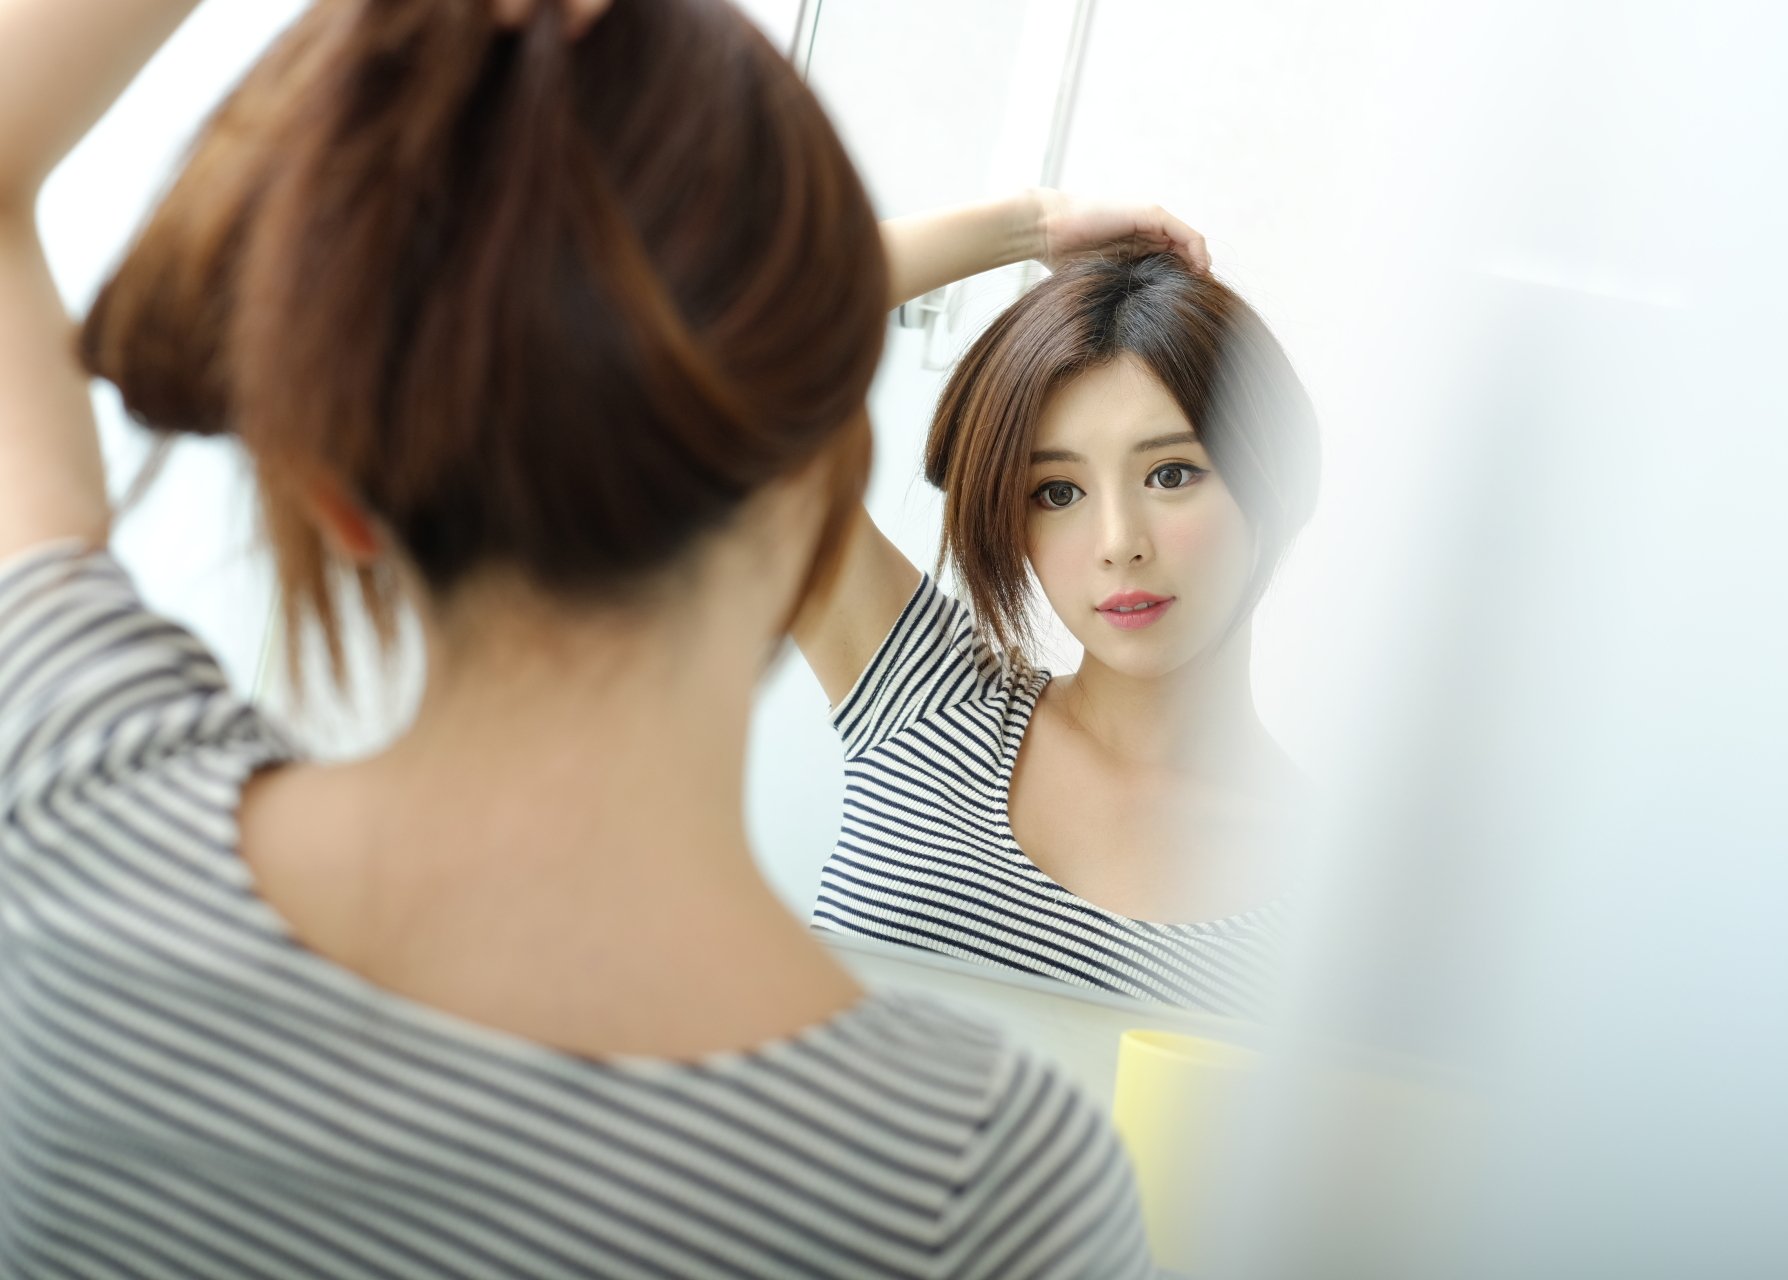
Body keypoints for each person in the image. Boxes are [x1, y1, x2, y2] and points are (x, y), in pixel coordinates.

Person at [0, 0, 1184, 1273]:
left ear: (342, 489)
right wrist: (1016, 227)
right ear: (824, 473)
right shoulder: (973, 1176)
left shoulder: (70, 794)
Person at [795, 227, 1320, 1018]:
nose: (1118, 545)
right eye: (1058, 492)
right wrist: (1030, 224)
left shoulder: (1331, 901)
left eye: (1170, 474)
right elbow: (712, 327)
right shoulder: (931, 700)